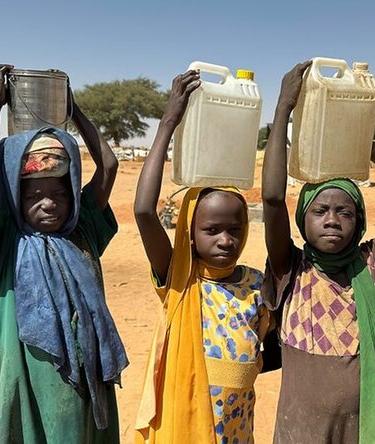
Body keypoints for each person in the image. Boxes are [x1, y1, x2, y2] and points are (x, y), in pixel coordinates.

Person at [261, 61, 375, 443]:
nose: (331, 220)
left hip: (362, 432)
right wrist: (282, 110)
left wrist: (366, 145)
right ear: (302, 221)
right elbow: (272, 198)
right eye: (319, 211)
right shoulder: (290, 267)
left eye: (345, 211)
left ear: (358, 222)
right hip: (299, 432)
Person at [0, 64, 128, 442]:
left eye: (59, 193)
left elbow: (109, 166)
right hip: (26, 386)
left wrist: (75, 112)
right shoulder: (5, 243)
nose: (49, 204)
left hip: (81, 382)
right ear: (16, 199)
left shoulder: (81, 231)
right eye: (34, 195)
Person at [133, 69, 276, 444]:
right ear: (190, 236)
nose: (226, 240)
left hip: (237, 428)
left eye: (236, 229)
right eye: (212, 230)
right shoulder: (180, 279)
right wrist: (169, 121)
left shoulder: (255, 284)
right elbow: (144, 211)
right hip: (185, 424)